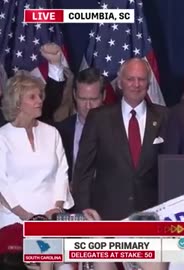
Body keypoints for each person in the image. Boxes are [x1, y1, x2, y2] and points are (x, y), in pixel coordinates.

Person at [72, 58, 169, 220]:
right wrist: (83, 209)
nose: (136, 84)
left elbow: (170, 171)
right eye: (130, 79)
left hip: (153, 215)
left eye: (141, 79)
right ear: (119, 83)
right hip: (106, 216)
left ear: (148, 84)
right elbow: (83, 171)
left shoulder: (164, 116)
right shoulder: (98, 118)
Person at [0, 72, 74, 228]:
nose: (40, 101)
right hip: (14, 220)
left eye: (40, 96)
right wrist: (28, 217)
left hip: (50, 218)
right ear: (17, 102)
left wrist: (57, 209)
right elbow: (2, 184)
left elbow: (62, 173)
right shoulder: (3, 136)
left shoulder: (52, 132)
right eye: (32, 97)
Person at [55, 68, 105, 181]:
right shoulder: (61, 131)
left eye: (94, 99)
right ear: (74, 95)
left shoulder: (118, 129)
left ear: (103, 96)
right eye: (83, 99)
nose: (88, 106)